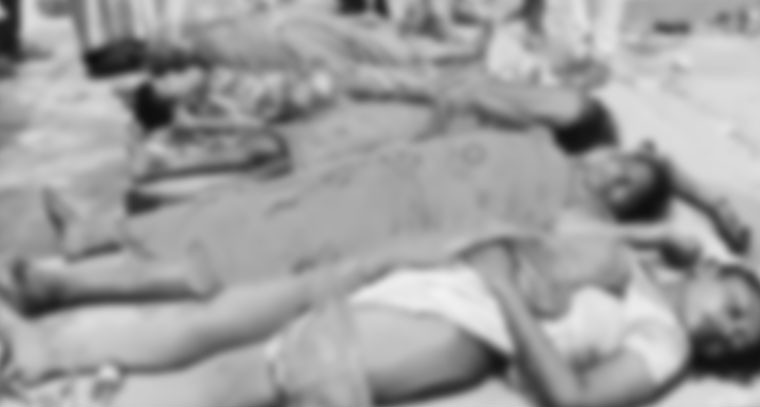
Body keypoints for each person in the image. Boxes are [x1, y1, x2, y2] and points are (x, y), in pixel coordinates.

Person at [1, 229, 759, 407]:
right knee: (222, 328)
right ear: (712, 272)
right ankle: (45, 354)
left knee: (255, 374)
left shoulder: (665, 343)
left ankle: (62, 386)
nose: (725, 330)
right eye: (735, 308)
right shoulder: (648, 269)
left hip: (463, 324)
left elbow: (575, 398)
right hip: (440, 277)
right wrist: (657, 238)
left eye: (737, 338)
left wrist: (502, 289)